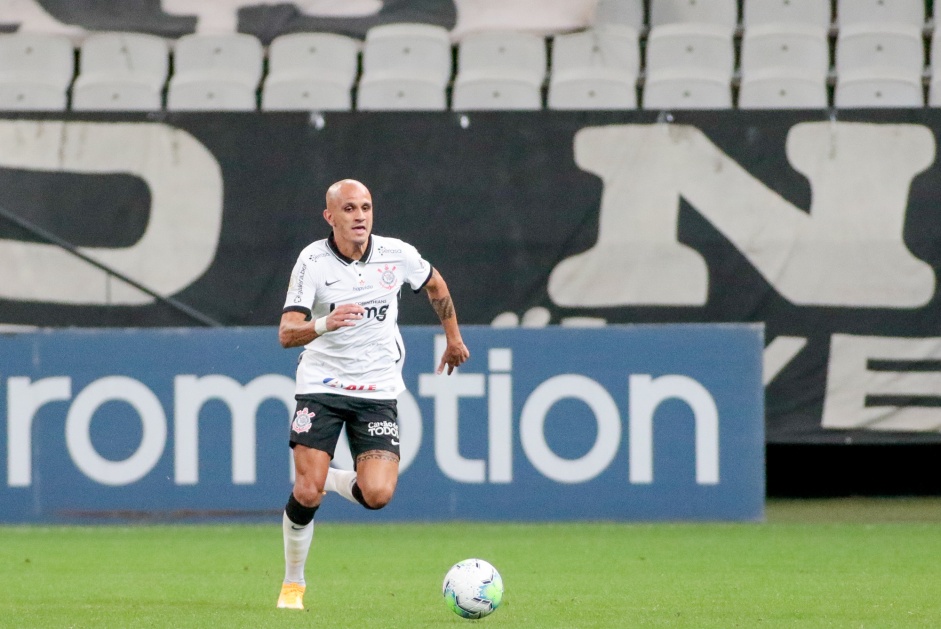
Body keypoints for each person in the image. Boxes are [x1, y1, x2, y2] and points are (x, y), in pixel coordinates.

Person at [275, 179, 470, 610]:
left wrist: (453, 338)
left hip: (377, 389)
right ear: (330, 216)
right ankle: (293, 583)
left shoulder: (396, 254)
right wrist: (326, 323)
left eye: (365, 207)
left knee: (377, 495)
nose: (359, 216)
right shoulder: (312, 260)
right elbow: (287, 334)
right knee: (306, 494)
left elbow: (435, 285)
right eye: (348, 209)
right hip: (322, 385)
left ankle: (323, 474)